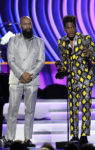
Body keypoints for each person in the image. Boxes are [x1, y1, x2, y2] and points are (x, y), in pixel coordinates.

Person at [57, 15, 95, 145]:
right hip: (72, 80)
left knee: (86, 107)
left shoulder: (86, 39)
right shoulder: (61, 42)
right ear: (64, 28)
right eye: (68, 28)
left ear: (76, 27)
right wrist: (61, 68)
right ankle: (74, 135)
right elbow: (65, 62)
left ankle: (84, 135)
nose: (71, 30)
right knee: (73, 108)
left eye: (73, 27)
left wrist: (90, 54)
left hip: (86, 79)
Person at [4, 16, 45, 147]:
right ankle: (9, 138)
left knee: (30, 110)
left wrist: (30, 74)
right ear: (21, 26)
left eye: (29, 24)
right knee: (13, 109)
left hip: (32, 80)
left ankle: (27, 138)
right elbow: (11, 60)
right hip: (16, 79)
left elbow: (41, 61)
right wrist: (22, 74)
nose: (28, 27)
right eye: (25, 24)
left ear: (32, 25)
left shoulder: (39, 41)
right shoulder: (13, 40)